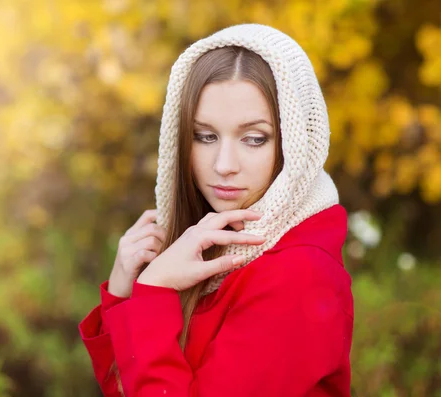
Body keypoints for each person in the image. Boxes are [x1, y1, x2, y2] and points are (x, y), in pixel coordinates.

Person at [78, 23, 354, 397]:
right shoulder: (201, 246)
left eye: (254, 138)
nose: (224, 164)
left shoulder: (299, 274)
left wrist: (154, 290)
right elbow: (130, 387)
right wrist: (125, 295)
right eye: (205, 136)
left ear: (294, 142)